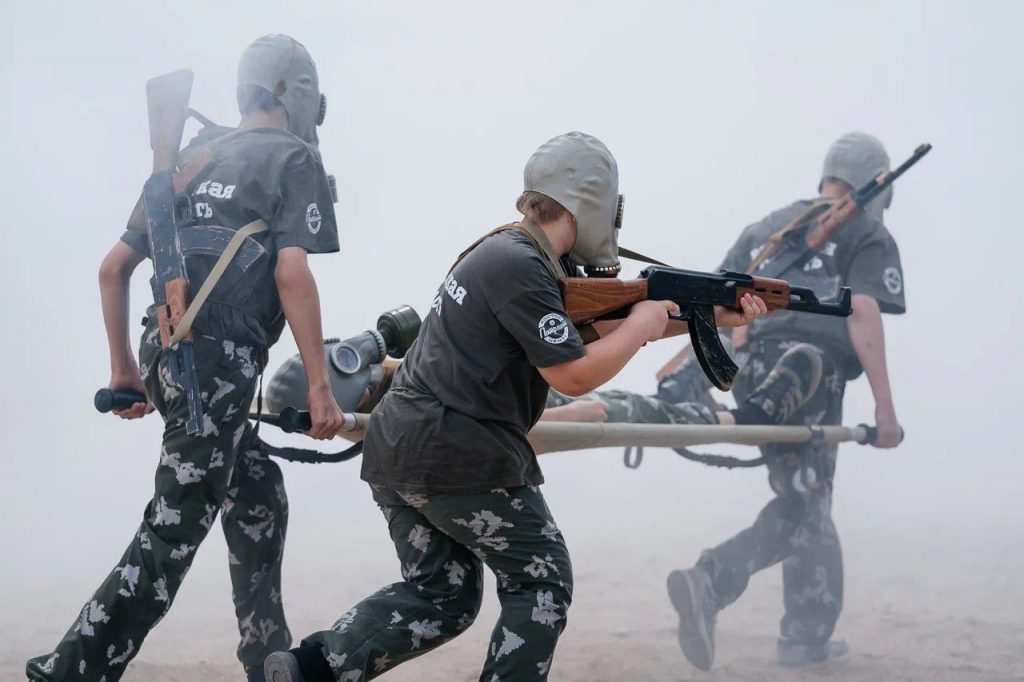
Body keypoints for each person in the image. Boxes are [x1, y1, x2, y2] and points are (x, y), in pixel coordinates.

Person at [264, 131, 767, 682]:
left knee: (442, 596)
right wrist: (644, 325)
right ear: (588, 206)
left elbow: (593, 330)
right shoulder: (522, 266)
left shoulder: (510, 253)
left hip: (399, 450)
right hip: (457, 451)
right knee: (542, 580)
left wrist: (705, 318)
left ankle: (311, 668)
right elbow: (573, 374)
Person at [26, 35, 343, 682]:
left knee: (256, 492)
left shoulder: (194, 156)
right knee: (171, 534)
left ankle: (267, 658)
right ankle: (69, 670)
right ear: (295, 93)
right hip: (215, 367)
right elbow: (292, 273)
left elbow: (113, 269)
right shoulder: (292, 156)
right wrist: (320, 386)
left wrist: (125, 370)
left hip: (165, 347)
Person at [663, 132, 907, 669]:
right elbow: (863, 310)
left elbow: (713, 307)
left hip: (748, 371)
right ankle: (712, 579)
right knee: (806, 505)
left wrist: (701, 379)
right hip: (807, 374)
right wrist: (885, 411)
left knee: (807, 496)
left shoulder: (768, 228)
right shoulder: (866, 231)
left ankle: (805, 635)